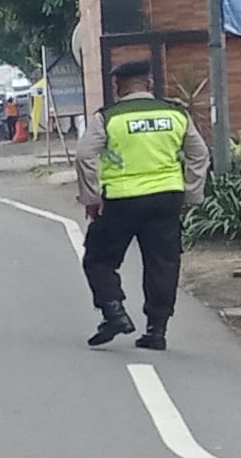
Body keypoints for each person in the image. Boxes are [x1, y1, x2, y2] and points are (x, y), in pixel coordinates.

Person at [76, 56, 208, 350]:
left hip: (121, 201)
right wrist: (191, 193)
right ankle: (156, 331)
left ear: (116, 86)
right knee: (163, 263)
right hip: (166, 200)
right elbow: (200, 155)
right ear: (149, 84)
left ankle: (114, 312)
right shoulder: (176, 115)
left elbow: (85, 155)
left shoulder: (108, 118)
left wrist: (92, 197)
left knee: (99, 259)